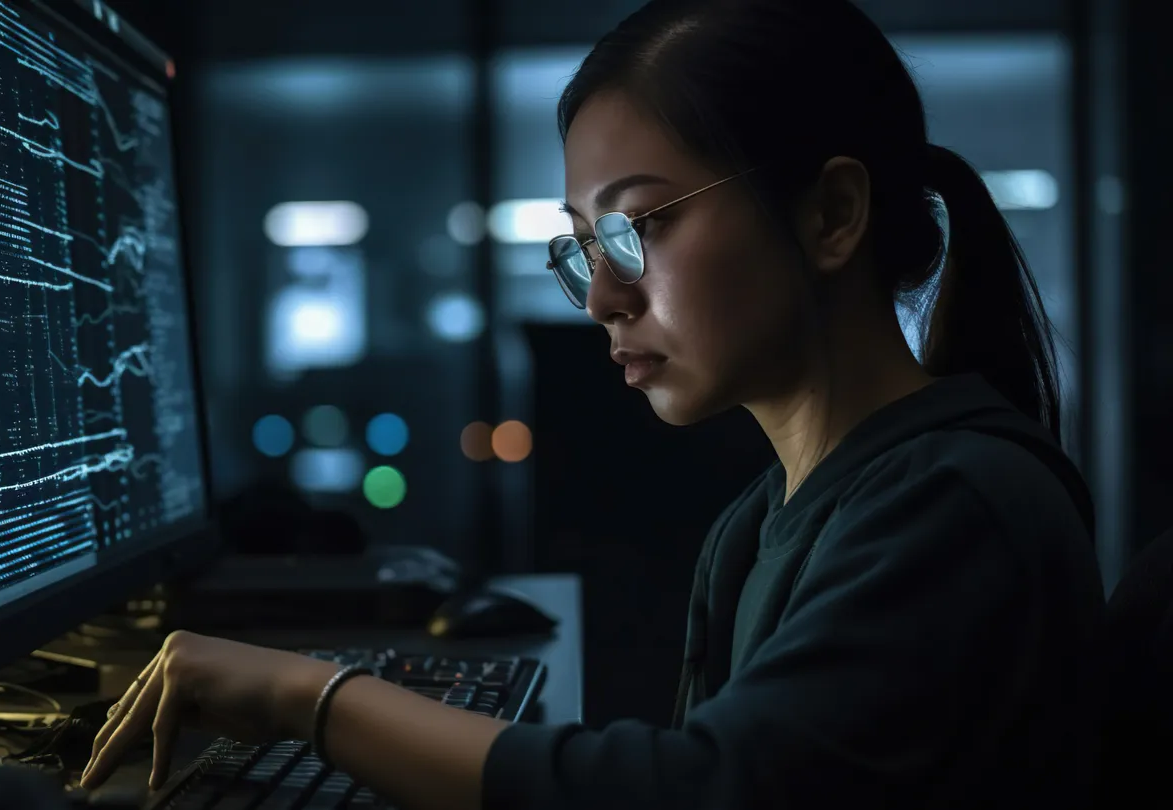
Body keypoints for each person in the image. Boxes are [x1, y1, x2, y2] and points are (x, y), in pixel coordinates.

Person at [79, 0, 1107, 807]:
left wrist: (310, 695)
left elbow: (711, 793)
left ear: (832, 213)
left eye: (640, 227)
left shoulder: (953, 508)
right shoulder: (785, 514)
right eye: (585, 245)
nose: (605, 298)